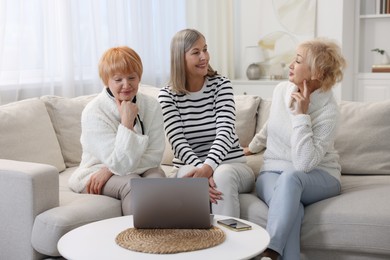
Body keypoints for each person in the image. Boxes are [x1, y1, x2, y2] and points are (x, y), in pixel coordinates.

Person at [244, 38, 346, 260]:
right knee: (293, 210)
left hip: (319, 175)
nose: (290, 64)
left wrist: (302, 115)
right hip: (272, 172)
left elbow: (303, 164)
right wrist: (252, 147)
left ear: (317, 73)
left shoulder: (329, 112)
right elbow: (272, 124)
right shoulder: (282, 90)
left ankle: (270, 251)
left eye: (298, 61)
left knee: (292, 178)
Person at [158, 28, 255, 218]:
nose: (204, 57)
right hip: (191, 165)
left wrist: (208, 167)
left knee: (223, 174)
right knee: (188, 177)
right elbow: (178, 142)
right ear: (180, 58)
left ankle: (229, 244)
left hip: (233, 165)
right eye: (196, 52)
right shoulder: (167, 95)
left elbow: (225, 132)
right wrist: (202, 172)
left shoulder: (221, 85)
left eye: (205, 49)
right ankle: (194, 243)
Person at [69, 46, 166, 215]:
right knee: (132, 183)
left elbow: (154, 156)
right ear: (107, 81)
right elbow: (118, 163)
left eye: (132, 78)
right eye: (118, 79)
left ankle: (162, 239)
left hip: (115, 169)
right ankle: (136, 240)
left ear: (139, 77)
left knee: (156, 179)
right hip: (94, 172)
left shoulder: (152, 106)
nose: (126, 85)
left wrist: (109, 170)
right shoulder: (94, 111)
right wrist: (127, 123)